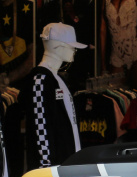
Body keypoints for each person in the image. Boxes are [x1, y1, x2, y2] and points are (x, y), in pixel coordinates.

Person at [20, 23, 87, 169]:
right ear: (58, 46)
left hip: (67, 165)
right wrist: (46, 167)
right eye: (71, 46)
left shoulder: (57, 79)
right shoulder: (40, 80)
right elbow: (40, 125)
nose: (74, 50)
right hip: (53, 170)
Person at [100, 0, 137, 93]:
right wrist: (103, 65)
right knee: (115, 96)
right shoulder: (106, 1)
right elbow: (102, 30)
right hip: (116, 53)